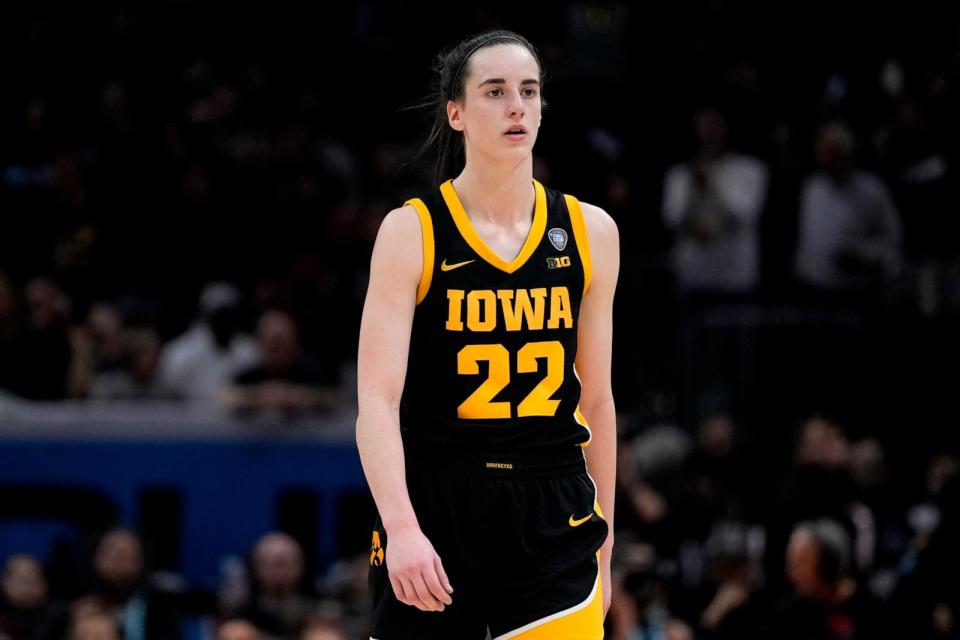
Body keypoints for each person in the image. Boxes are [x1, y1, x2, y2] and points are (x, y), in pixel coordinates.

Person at [356, 30, 619, 639]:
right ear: (456, 113)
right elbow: (375, 401)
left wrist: (606, 547)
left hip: (554, 505)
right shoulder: (411, 232)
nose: (516, 107)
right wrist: (400, 528)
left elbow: (598, 402)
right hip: (437, 501)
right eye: (495, 92)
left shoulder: (590, 232)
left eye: (528, 91)